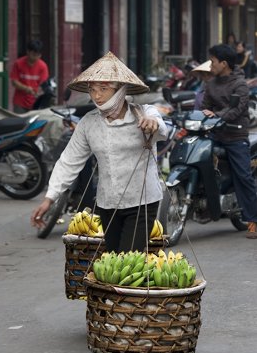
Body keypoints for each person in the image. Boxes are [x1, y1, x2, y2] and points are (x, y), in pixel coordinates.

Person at [31, 51, 169, 254]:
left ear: (120, 90)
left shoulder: (143, 113)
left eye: (103, 89)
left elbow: (162, 130)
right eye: (93, 89)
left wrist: (154, 124)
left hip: (142, 202)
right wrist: (49, 198)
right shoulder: (89, 122)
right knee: (112, 257)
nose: (97, 95)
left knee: (129, 260)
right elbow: (69, 161)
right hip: (107, 202)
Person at [201, 43, 257, 239]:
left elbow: (236, 110)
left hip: (235, 136)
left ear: (224, 63)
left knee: (243, 177)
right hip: (215, 135)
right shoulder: (211, 83)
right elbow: (205, 106)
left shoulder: (240, 85)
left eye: (213, 61)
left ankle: (253, 221)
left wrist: (216, 115)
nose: (211, 65)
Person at [10, 39, 49, 113]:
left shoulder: (43, 66)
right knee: (19, 122)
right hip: (20, 102)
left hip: (36, 102)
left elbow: (43, 84)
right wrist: (26, 88)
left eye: (38, 55)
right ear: (28, 52)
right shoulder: (18, 63)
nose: (35, 57)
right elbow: (14, 82)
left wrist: (39, 92)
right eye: (33, 55)